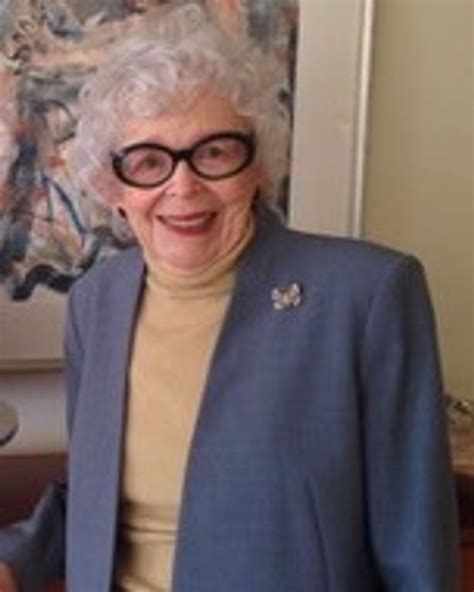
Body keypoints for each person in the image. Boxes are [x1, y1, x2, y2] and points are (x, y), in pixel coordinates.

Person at [0, 3, 459, 591]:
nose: (183, 185)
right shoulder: (97, 301)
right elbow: (96, 493)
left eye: (214, 152)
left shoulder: (366, 296)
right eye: (147, 161)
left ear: (257, 165)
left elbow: (415, 539)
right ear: (113, 187)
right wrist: (14, 560)